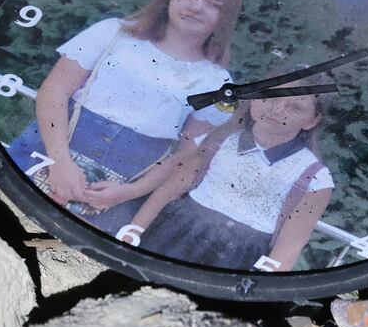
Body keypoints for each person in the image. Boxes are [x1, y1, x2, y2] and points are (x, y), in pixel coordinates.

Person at [5, 0, 243, 231]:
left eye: (213, 4)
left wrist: (127, 193)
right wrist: (59, 162)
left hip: (120, 187)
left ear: (225, 18)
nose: (196, 7)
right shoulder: (112, 32)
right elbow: (55, 90)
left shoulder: (218, 83)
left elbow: (187, 152)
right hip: (49, 150)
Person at [107, 84, 336, 273]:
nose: (277, 110)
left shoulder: (314, 177)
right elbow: (169, 190)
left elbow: (289, 245)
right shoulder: (219, 140)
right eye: (269, 97)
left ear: (312, 120)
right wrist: (135, 229)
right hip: (176, 231)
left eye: (294, 107)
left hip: (236, 257)